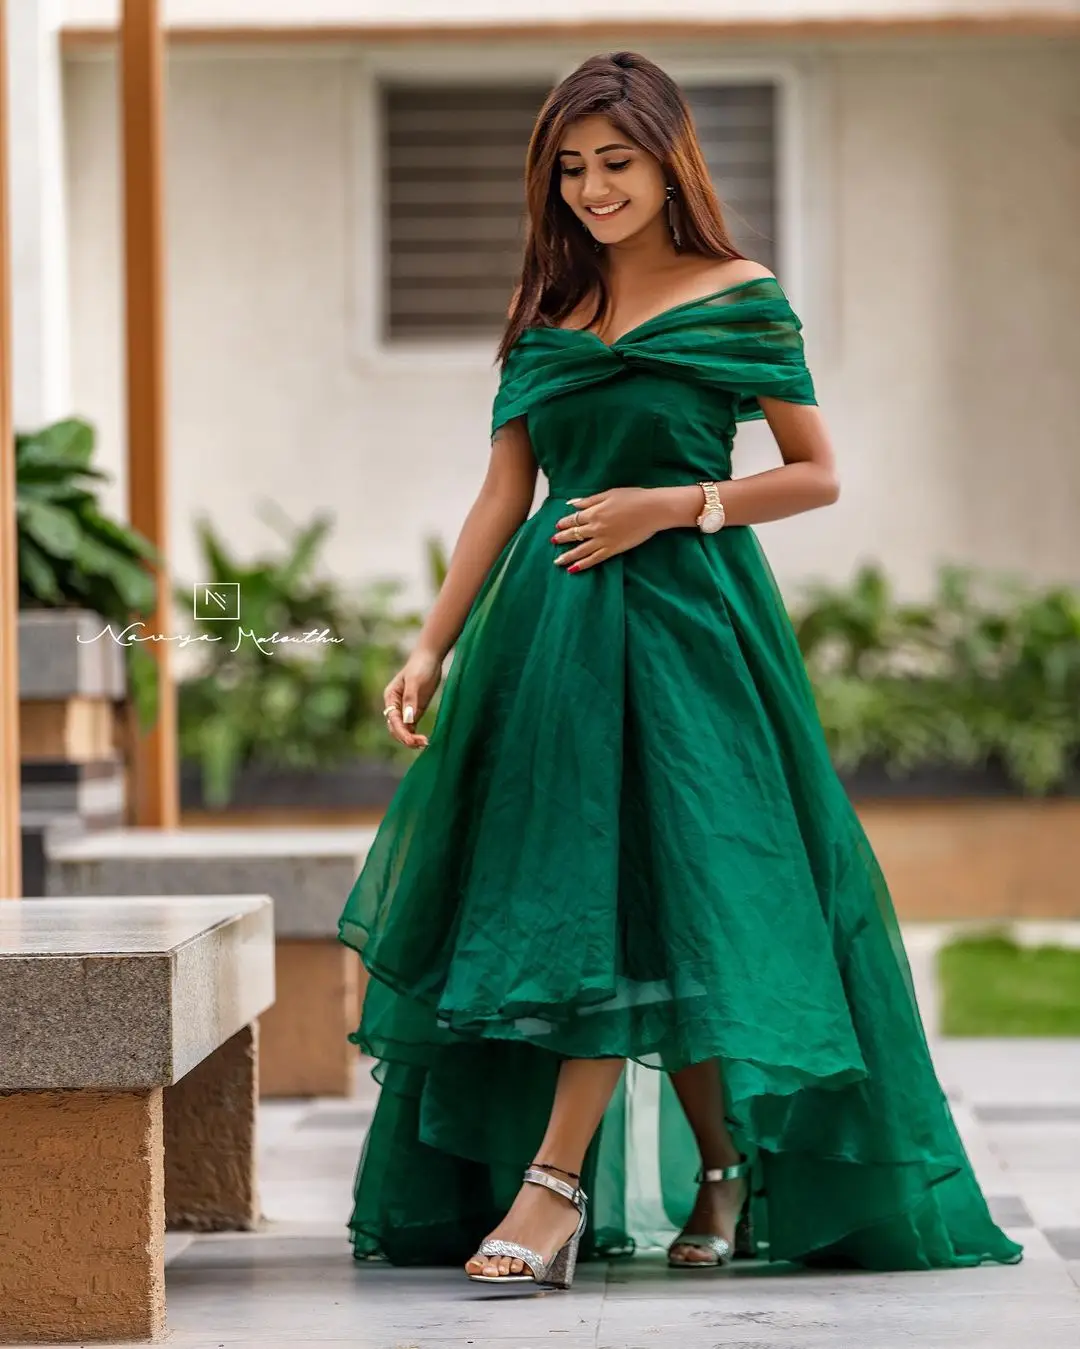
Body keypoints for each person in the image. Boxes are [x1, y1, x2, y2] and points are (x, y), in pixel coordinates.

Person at [338, 49, 1022, 1289]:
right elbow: (503, 496)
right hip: (549, 639)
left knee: (683, 893)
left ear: (669, 163)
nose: (596, 188)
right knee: (601, 897)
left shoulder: (740, 294)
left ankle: (552, 1189)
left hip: (696, 631)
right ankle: (722, 1169)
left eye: (618, 163)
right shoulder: (546, 313)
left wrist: (673, 504)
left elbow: (814, 472)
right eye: (573, 168)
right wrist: (432, 640)